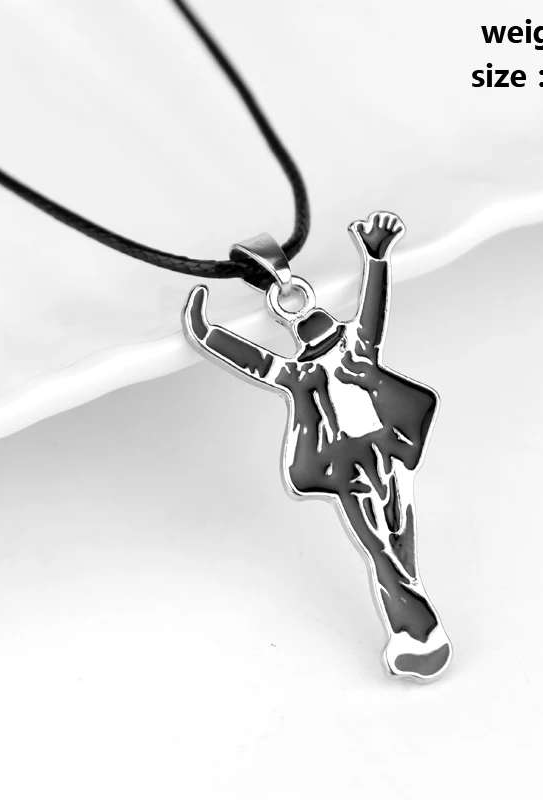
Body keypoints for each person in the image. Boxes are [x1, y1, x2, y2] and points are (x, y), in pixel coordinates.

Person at [184, 212, 451, 680]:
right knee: (378, 547)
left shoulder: (354, 349)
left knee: (397, 538)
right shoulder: (298, 373)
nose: (321, 335)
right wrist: (204, 333)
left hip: (387, 450)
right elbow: (254, 362)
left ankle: (416, 633)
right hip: (343, 468)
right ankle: (418, 635)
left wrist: (376, 256)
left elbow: (372, 309)